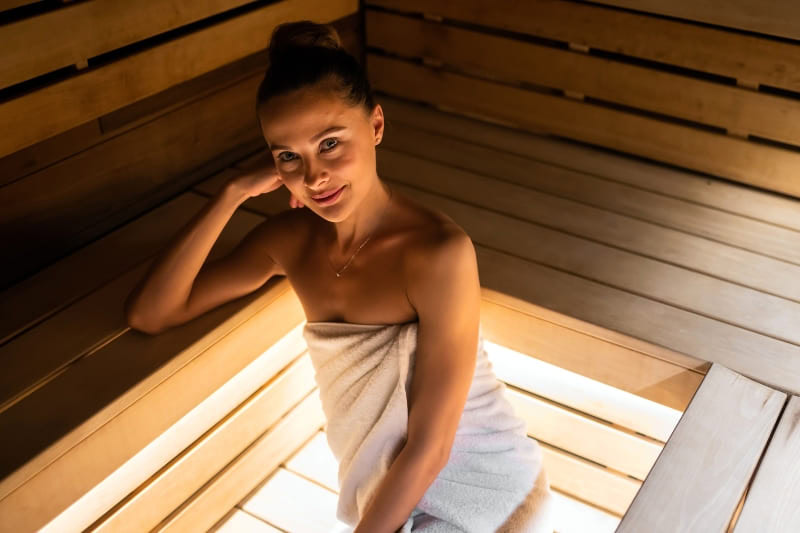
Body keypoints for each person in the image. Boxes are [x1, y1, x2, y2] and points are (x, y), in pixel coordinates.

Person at [125, 20, 553, 533]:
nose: (313, 177)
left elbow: (432, 447)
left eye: (329, 144)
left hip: (484, 488)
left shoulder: (437, 253)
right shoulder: (290, 241)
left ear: (375, 125)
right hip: (393, 496)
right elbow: (153, 313)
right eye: (289, 156)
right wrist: (233, 192)